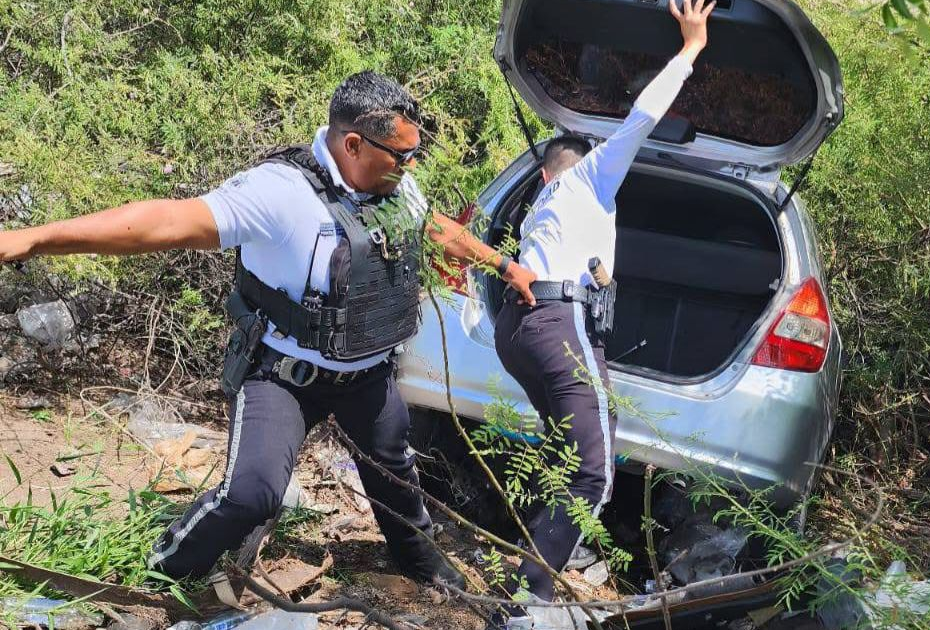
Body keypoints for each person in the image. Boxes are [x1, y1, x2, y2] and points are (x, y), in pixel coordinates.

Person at [0, 70, 538, 587]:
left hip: (369, 376)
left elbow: (431, 226)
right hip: (284, 376)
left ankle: (419, 562)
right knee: (251, 496)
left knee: (396, 476)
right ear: (354, 145)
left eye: (414, 152)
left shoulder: (395, 183)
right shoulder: (280, 193)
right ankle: (165, 569)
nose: (411, 164)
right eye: (402, 154)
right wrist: (36, 238)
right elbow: (163, 222)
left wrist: (500, 263)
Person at [489, 1, 715, 626]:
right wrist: (691, 48)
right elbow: (644, 116)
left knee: (571, 453)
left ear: (540, 174)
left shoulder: (543, 206)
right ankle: (524, 602)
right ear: (580, 161)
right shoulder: (589, 177)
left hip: (519, 328)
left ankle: (523, 569)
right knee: (593, 473)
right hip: (558, 324)